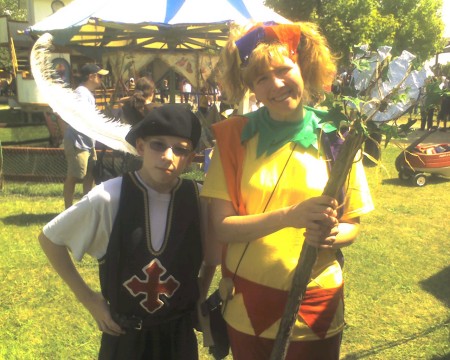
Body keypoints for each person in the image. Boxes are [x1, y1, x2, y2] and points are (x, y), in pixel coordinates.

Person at [200, 22, 374, 360]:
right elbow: (221, 227)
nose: (276, 84)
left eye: (283, 69)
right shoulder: (233, 138)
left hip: (315, 308)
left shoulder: (337, 136)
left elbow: (352, 225)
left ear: (302, 68)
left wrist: (333, 235)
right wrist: (289, 216)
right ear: (251, 87)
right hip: (246, 304)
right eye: (261, 78)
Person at [38, 104, 220, 359]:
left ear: (190, 158)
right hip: (125, 337)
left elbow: (210, 256)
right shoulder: (110, 196)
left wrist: (201, 293)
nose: (168, 156)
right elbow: (50, 239)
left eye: (180, 149)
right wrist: (89, 300)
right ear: (141, 146)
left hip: (178, 336)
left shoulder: (199, 199)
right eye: (159, 145)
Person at [63, 63, 109, 209]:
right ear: (91, 77)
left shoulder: (87, 93)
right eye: (100, 76)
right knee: (75, 176)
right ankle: (68, 209)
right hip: (78, 142)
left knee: (89, 175)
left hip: (88, 142)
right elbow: (83, 116)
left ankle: (85, 208)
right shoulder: (81, 93)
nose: (102, 79)